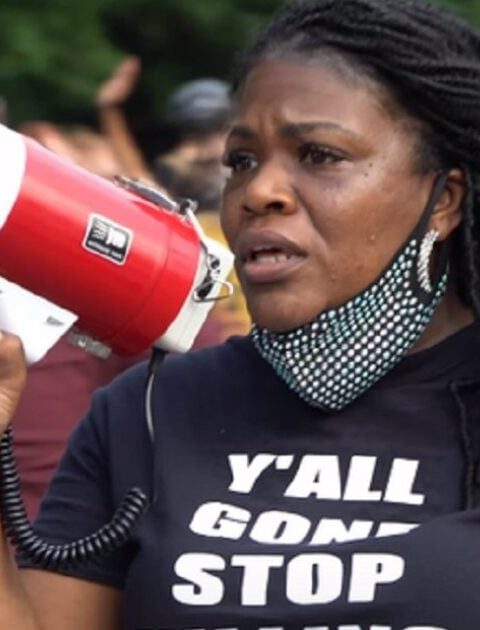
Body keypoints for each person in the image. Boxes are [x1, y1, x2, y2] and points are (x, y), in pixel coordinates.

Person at [1, 0, 480, 628]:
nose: (258, 192)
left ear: (443, 200)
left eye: (320, 155)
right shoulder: (145, 411)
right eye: (241, 161)